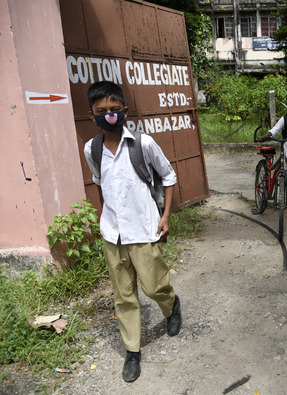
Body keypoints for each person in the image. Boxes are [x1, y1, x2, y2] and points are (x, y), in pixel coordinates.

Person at [83, 81, 181, 383]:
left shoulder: (143, 144)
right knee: (123, 296)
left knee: (153, 288)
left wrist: (165, 216)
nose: (109, 115)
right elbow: (100, 185)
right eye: (101, 111)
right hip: (113, 235)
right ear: (92, 116)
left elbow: (169, 176)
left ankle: (171, 304)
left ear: (124, 110)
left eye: (114, 110)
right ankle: (132, 351)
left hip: (144, 230)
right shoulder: (92, 149)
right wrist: (106, 218)